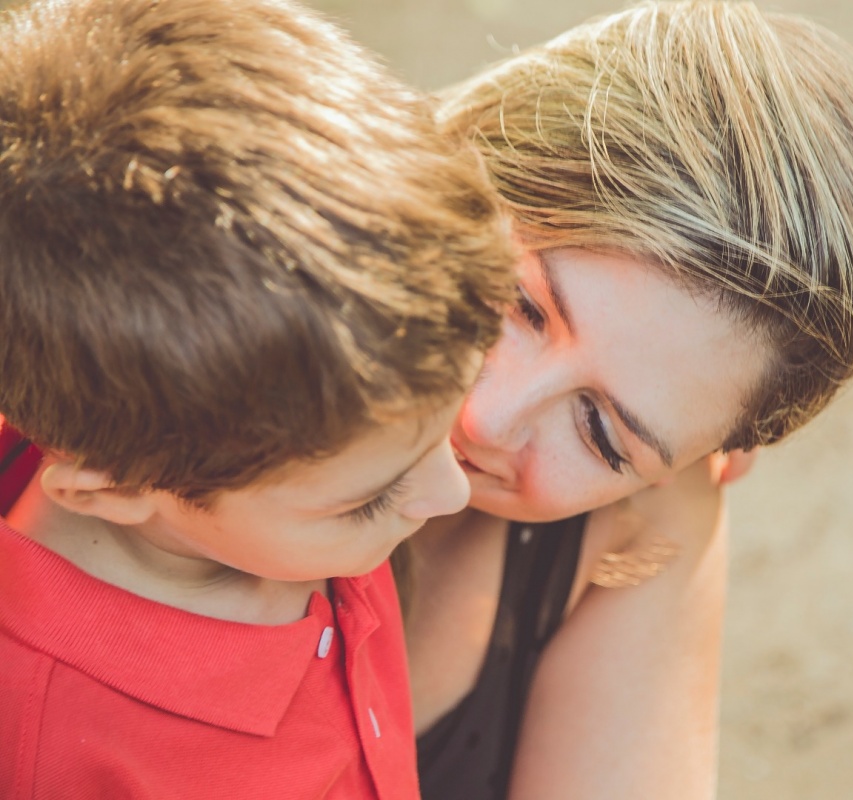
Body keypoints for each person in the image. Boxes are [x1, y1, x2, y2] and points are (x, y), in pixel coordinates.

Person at [404, 2, 853, 799]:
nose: (487, 417)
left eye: (599, 432)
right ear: (466, 147)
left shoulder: (646, 515)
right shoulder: (228, 269)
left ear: (713, 456)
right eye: (521, 304)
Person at [0, 0, 513, 797]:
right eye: (369, 500)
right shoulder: (52, 751)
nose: (451, 492)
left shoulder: (250, 454)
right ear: (114, 489)